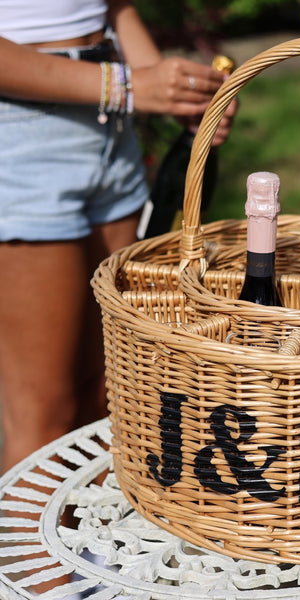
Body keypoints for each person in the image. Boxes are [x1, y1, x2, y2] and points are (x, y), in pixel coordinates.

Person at [0, 0, 238, 475]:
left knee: (108, 396)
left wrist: (174, 91)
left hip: (111, 129)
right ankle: (30, 551)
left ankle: (89, 549)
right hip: (24, 133)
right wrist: (128, 86)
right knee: (44, 424)